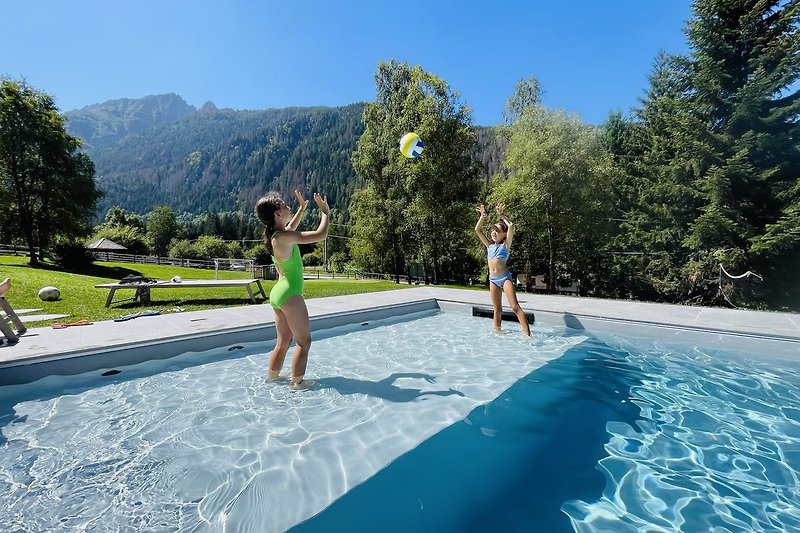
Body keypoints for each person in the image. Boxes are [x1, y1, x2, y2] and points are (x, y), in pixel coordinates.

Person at [255, 189, 330, 390]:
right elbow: (321, 235)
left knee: (283, 342)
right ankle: (297, 384)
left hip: (279, 293)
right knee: (304, 342)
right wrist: (325, 213)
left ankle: (272, 379)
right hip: (290, 294)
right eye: (284, 205)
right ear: (277, 214)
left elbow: (290, 227)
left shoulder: (276, 235)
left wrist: (302, 209)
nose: (288, 206)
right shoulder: (284, 237)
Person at [474, 204, 531, 337]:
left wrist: (502, 216)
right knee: (497, 309)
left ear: (504, 234)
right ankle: (498, 333)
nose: (493, 232)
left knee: (515, 307)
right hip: (493, 280)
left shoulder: (505, 246)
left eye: (497, 230)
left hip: (505, 278)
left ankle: (528, 336)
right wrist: (482, 216)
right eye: (492, 230)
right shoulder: (489, 246)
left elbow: (511, 226)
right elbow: (477, 229)